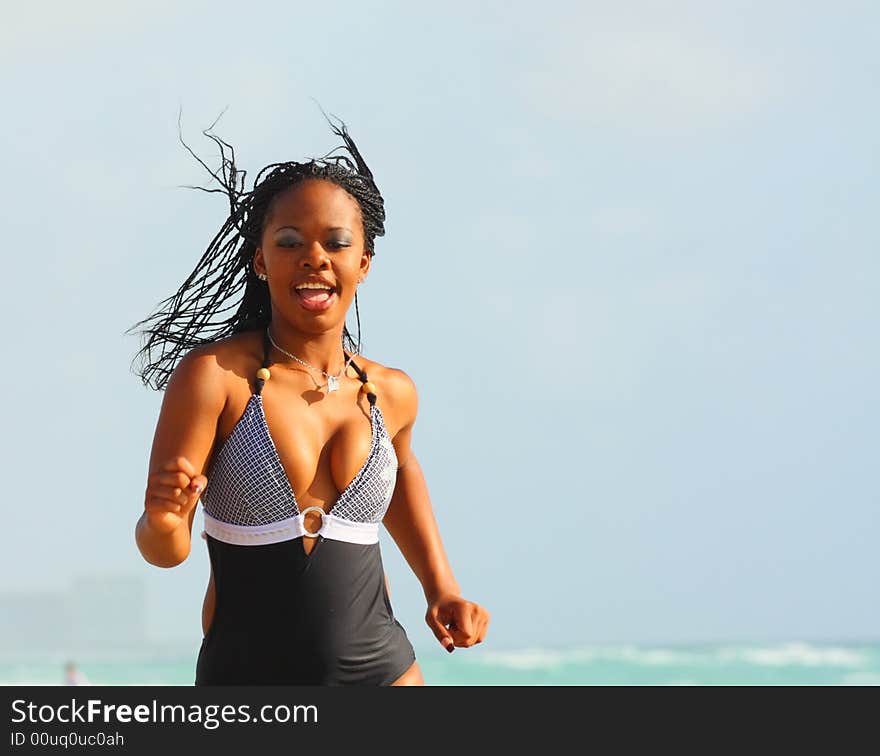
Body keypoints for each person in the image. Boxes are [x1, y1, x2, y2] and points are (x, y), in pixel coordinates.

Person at [130, 115, 489, 685]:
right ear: (260, 261)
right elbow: (164, 551)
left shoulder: (389, 391)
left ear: (363, 264)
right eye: (290, 242)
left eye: (337, 243)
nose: (314, 258)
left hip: (385, 673)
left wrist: (442, 589)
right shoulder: (217, 377)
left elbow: (401, 477)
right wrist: (163, 519)